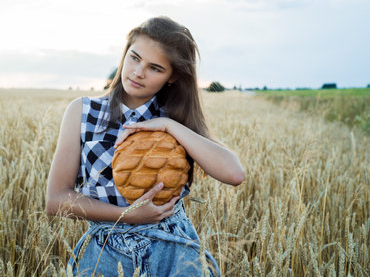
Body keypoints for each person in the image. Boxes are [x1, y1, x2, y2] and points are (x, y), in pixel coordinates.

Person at [46, 16, 244, 276]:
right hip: (107, 250)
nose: (138, 72)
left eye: (155, 68)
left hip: (172, 250)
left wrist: (168, 125)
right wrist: (127, 215)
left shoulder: (177, 120)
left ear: (172, 77)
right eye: (135, 57)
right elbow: (56, 200)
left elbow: (234, 174)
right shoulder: (83, 111)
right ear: (124, 53)